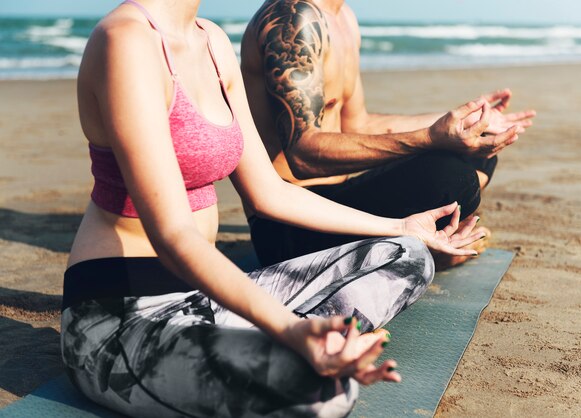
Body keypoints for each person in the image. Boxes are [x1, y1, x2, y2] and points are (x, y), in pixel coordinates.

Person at [60, 0, 485, 417]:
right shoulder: (126, 41)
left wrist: (402, 226)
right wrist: (289, 328)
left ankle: (311, 340)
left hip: (204, 297)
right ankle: (304, 342)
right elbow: (173, 235)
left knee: (407, 256)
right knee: (324, 393)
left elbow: (268, 191)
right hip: (122, 317)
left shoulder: (211, 41)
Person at [241, 0, 536, 267]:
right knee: (451, 178)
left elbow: (358, 126)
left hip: (342, 199)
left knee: (476, 149)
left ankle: (423, 238)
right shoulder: (294, 18)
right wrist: (430, 137)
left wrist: (458, 122)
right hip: (291, 225)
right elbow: (303, 155)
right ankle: (424, 246)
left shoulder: (343, 17)